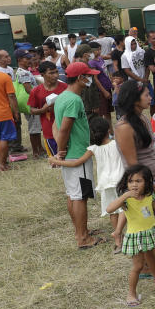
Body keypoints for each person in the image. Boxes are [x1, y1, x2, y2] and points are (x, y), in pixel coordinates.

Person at [109, 164, 155, 305]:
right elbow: (109, 208)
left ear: (147, 182)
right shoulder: (126, 200)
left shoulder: (149, 195)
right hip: (136, 236)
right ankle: (131, 294)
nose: (134, 185)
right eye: (131, 181)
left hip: (152, 231)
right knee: (137, 267)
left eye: (138, 181)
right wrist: (125, 195)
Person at [50, 116, 125, 252]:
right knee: (125, 209)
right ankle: (126, 233)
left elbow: (75, 163)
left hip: (105, 184)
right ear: (109, 130)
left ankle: (118, 240)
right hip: (121, 181)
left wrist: (57, 161)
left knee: (113, 212)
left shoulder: (93, 148)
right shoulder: (117, 143)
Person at [115, 80, 155, 236]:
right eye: (147, 95)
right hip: (144, 184)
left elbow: (152, 148)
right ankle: (150, 261)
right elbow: (133, 165)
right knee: (149, 229)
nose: (151, 98)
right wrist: (153, 188)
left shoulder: (142, 119)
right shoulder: (124, 127)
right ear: (135, 99)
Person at [54, 62, 103, 248]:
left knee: (72, 194)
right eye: (88, 75)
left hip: (71, 154)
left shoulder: (62, 97)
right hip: (77, 154)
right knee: (80, 196)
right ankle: (83, 238)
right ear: (80, 78)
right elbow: (65, 127)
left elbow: (57, 126)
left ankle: (80, 231)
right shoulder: (74, 100)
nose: (90, 78)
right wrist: (61, 150)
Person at [26, 61, 67, 156]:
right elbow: (31, 110)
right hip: (49, 131)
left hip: (66, 128)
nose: (56, 75)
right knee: (56, 161)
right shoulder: (36, 91)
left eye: (56, 72)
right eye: (51, 73)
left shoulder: (65, 88)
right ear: (42, 75)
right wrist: (43, 110)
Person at [13, 49, 44, 158]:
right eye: (27, 58)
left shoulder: (23, 71)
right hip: (31, 103)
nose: (30, 60)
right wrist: (41, 96)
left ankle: (40, 148)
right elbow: (28, 89)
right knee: (34, 128)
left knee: (35, 127)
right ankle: (37, 152)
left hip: (29, 102)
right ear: (19, 60)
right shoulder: (23, 72)